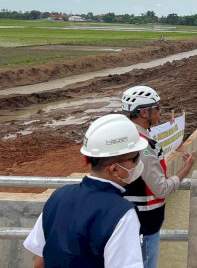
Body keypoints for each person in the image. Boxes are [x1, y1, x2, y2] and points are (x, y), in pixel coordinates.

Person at [24, 114, 147, 267]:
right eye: (135, 158)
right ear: (115, 169)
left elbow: (39, 261)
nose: (139, 162)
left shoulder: (58, 196)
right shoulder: (122, 214)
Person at [121, 86, 196, 268]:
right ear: (144, 112)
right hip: (145, 225)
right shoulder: (144, 145)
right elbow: (161, 189)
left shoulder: (125, 135)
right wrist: (186, 168)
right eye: (157, 108)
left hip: (128, 220)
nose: (159, 112)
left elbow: (142, 177)